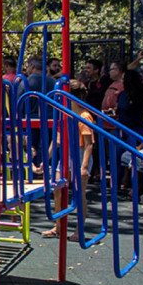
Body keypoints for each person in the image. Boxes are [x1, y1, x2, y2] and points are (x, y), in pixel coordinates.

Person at [42, 80, 94, 239]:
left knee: (79, 193)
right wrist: (46, 160)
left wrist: (84, 166)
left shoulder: (84, 116)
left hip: (80, 154)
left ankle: (79, 230)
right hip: (67, 154)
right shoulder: (64, 114)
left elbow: (89, 144)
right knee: (57, 188)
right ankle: (58, 226)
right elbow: (57, 140)